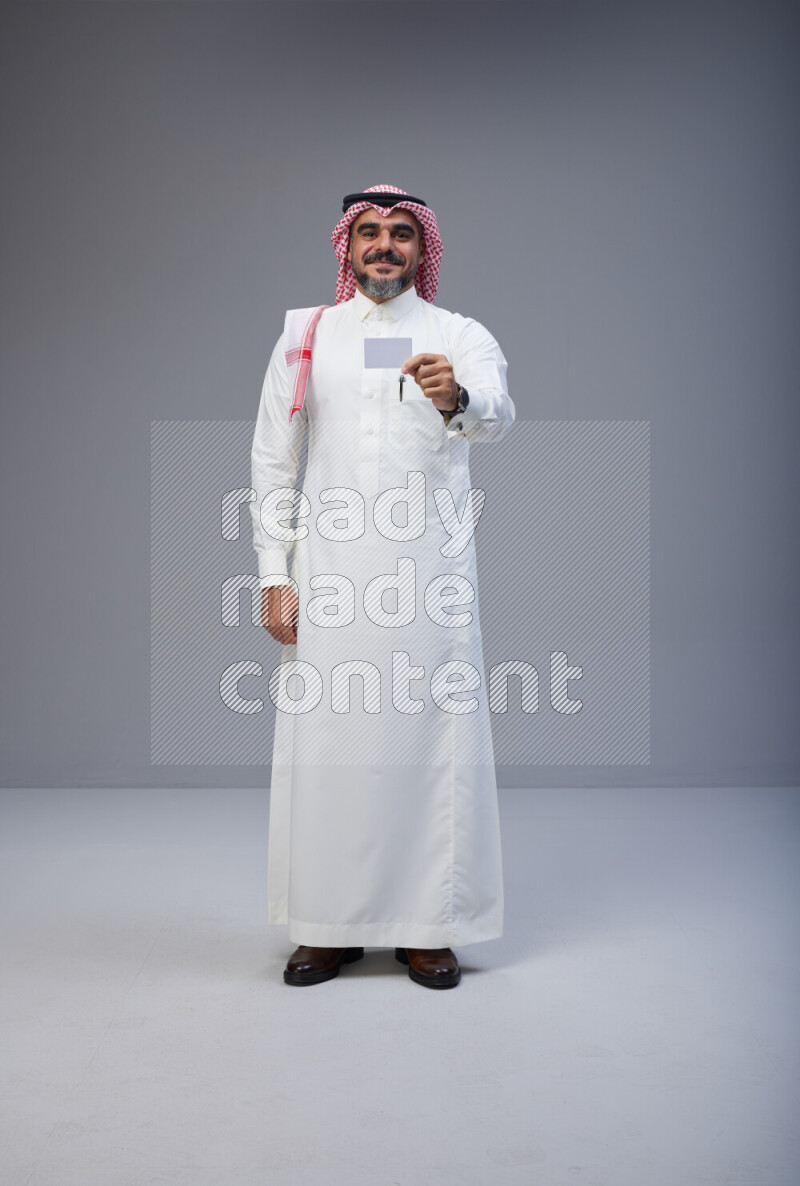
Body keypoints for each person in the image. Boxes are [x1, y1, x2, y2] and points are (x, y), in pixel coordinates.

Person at [250, 184, 514, 989]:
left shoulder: (457, 335)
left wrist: (456, 398)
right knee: (330, 746)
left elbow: (499, 413)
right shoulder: (309, 334)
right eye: (370, 233)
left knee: (430, 746)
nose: (385, 246)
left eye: (402, 234)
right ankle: (328, 927)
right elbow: (272, 457)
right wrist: (272, 575)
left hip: (427, 577)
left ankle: (428, 928)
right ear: (347, 245)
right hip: (328, 577)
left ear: (422, 247)